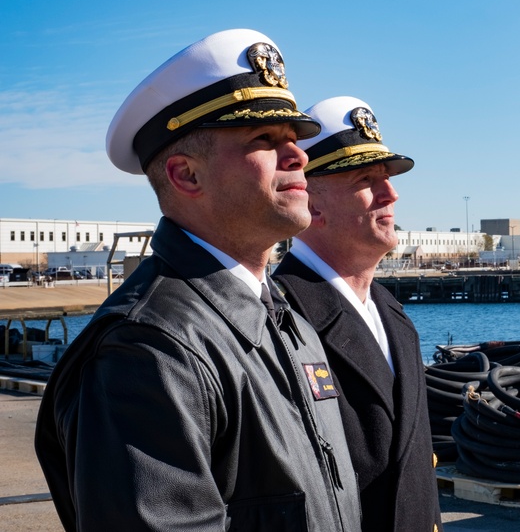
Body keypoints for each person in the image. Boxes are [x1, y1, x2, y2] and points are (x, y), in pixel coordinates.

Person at [34, 29, 363, 531]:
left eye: (294, 138)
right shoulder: (148, 352)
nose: (299, 156)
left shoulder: (286, 319)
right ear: (187, 176)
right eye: (265, 140)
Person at [273, 97, 440, 532]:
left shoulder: (391, 313)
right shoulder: (279, 318)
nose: (392, 193)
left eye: (387, 178)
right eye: (367, 180)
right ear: (313, 204)